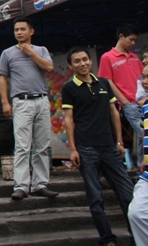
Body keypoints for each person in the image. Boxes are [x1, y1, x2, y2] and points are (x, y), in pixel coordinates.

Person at [62, 47, 134, 245]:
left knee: (127, 194)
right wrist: (73, 149)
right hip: (86, 148)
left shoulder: (103, 83)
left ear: (90, 61)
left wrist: (119, 141)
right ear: (71, 66)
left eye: (85, 59)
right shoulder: (69, 88)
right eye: (77, 61)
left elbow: (114, 113)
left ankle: (137, 236)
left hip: (109, 147)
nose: (82, 64)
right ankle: (107, 239)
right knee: (95, 198)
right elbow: (69, 120)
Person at [0, 17, 58, 200]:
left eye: (23, 29)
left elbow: (49, 67)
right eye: (16, 30)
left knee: (41, 145)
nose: (19, 33)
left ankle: (40, 184)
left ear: (31, 31)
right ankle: (21, 185)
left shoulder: (41, 50)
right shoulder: (7, 53)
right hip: (21, 101)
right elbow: (2, 78)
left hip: (41, 100)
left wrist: (30, 53)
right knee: (22, 146)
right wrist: (5, 102)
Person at [98, 24, 144, 165]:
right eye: (131, 39)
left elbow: (143, 77)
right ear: (121, 36)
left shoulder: (135, 57)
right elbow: (107, 81)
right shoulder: (107, 57)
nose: (133, 43)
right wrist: (124, 100)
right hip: (128, 102)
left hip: (142, 101)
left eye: (135, 40)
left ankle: (142, 170)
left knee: (143, 134)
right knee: (143, 132)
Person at [128, 65, 148, 245]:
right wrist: (143, 159)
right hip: (147, 172)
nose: (145, 81)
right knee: (136, 213)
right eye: (143, 77)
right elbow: (144, 132)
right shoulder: (145, 107)